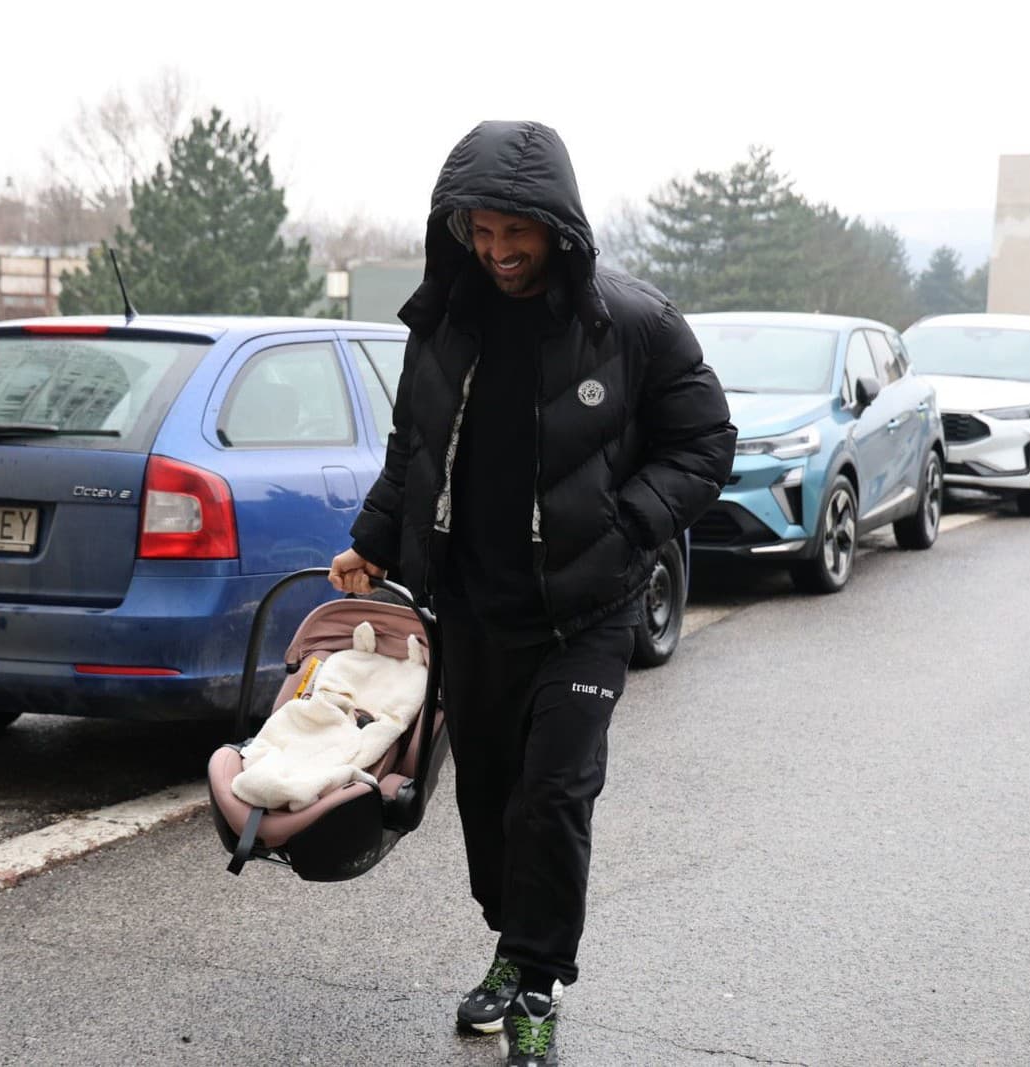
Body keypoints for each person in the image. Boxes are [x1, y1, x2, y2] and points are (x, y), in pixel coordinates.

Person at [329, 119, 734, 1065]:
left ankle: (539, 984)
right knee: (491, 806)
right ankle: (514, 943)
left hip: (585, 615)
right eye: (480, 231)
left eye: (517, 232)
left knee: (553, 797)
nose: (499, 252)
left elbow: (706, 442)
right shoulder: (444, 323)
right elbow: (412, 451)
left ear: (560, 226)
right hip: (472, 609)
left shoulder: (630, 324)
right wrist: (371, 541)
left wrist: (629, 522)